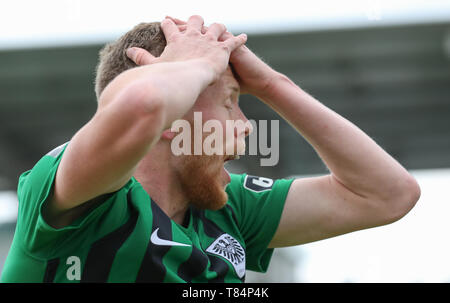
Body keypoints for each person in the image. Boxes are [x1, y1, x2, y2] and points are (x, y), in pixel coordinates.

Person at [1, 15, 420, 283]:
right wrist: (195, 66)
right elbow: (140, 105)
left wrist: (274, 85)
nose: (245, 126)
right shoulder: (77, 191)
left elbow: (388, 195)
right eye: (229, 103)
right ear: (171, 123)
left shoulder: (227, 207)